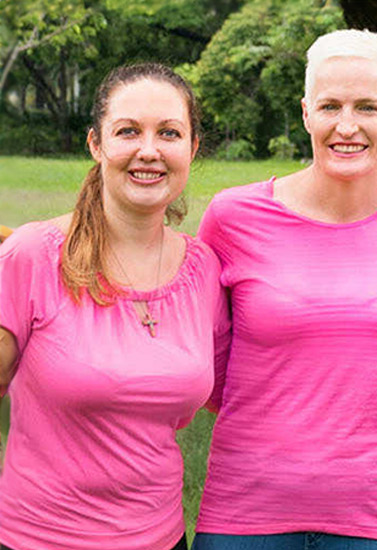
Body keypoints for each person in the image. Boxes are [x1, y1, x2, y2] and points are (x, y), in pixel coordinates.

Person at [193, 30, 377, 550]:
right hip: (247, 511)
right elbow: (207, 364)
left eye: (367, 107)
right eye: (330, 106)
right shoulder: (233, 217)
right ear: (307, 113)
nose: (346, 126)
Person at [0, 63, 218, 550]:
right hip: (39, 541)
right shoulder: (32, 256)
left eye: (169, 132)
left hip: (162, 540)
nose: (149, 150)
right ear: (96, 144)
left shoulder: (203, 269)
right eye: (128, 131)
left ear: (192, 148)